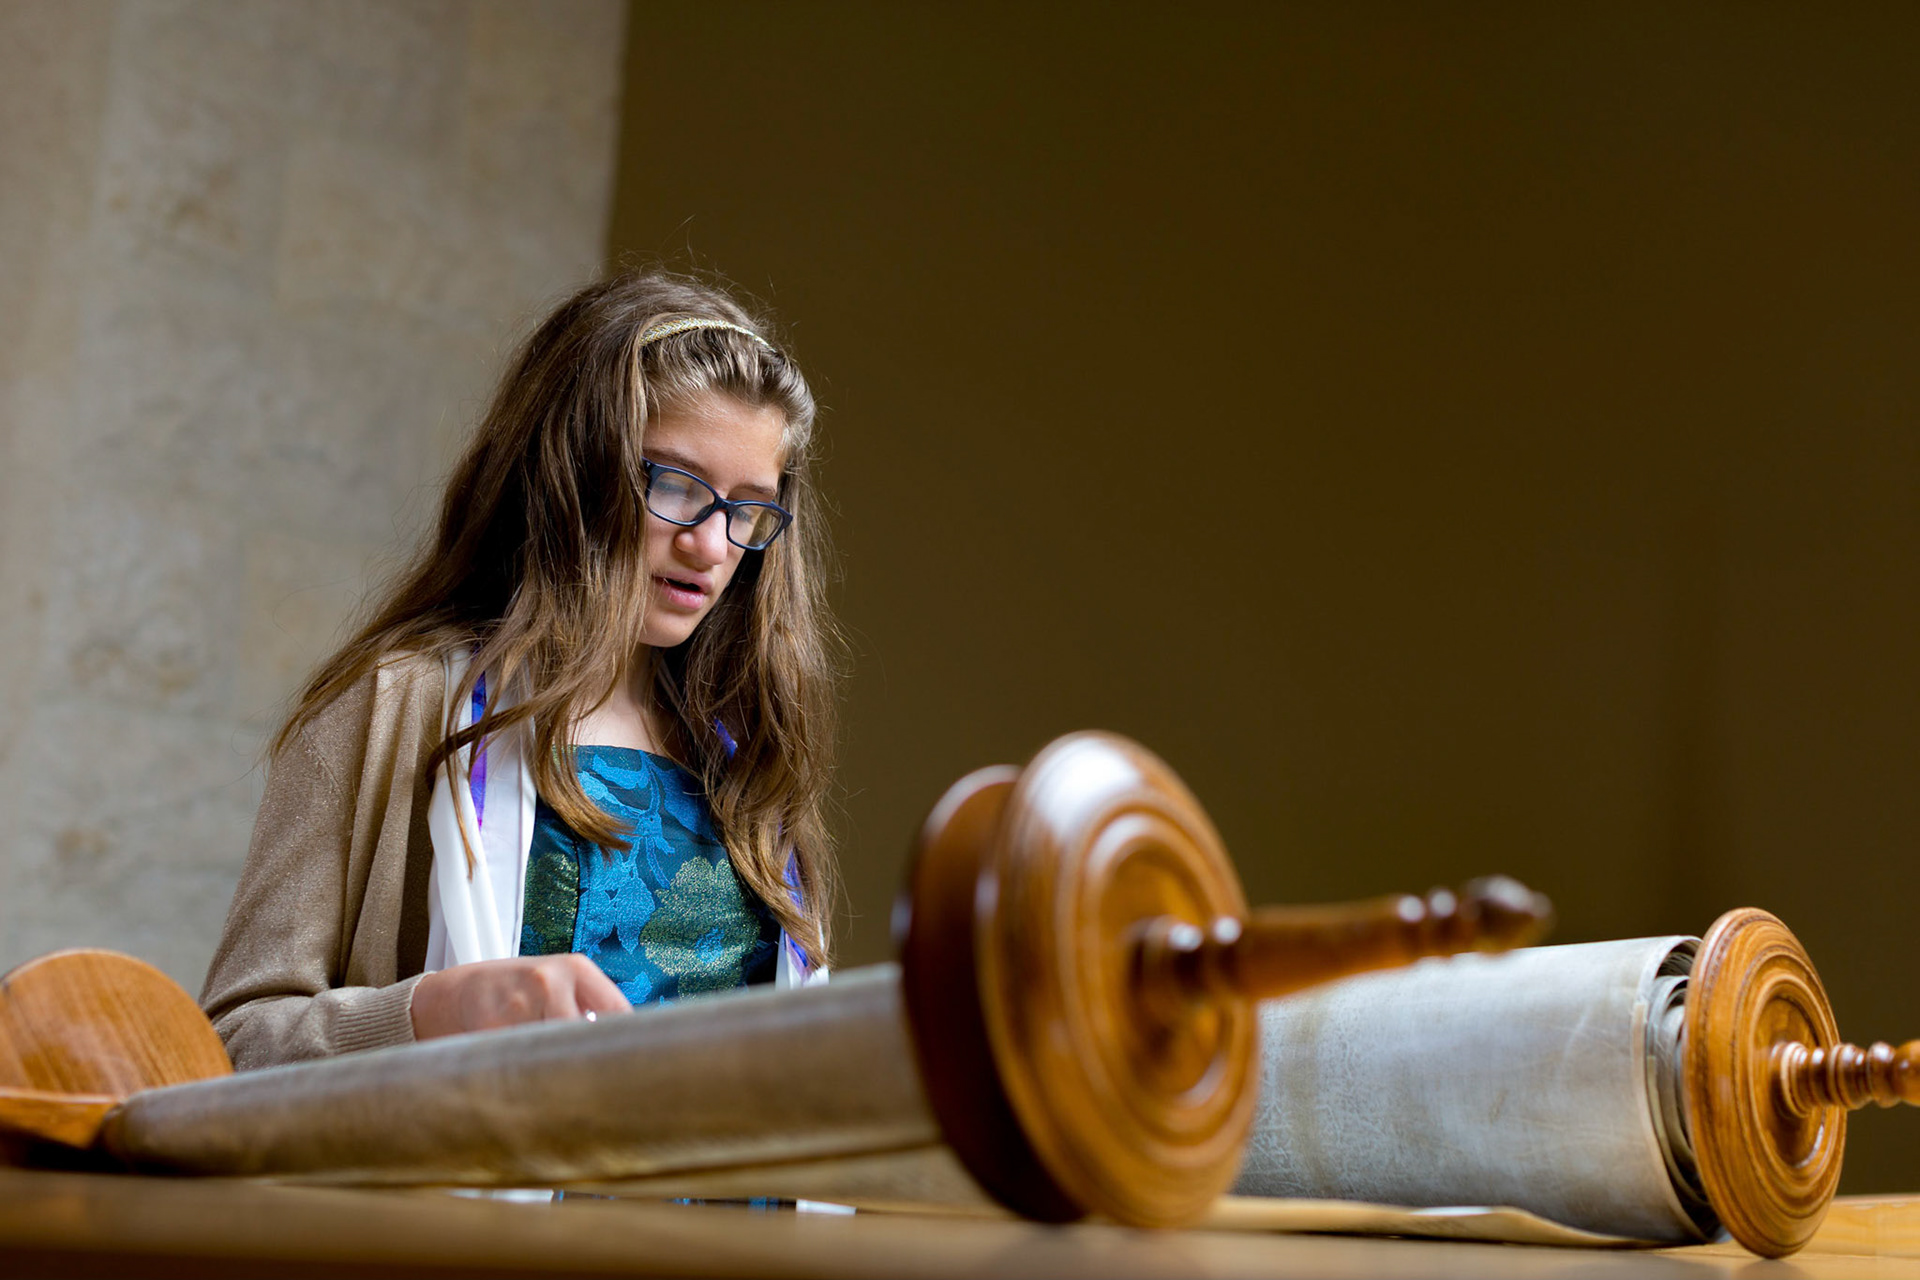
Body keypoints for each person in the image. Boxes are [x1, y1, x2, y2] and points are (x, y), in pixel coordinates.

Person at [200, 270, 840, 1070]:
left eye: (747, 508)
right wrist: (433, 1012)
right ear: (572, 472)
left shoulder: (748, 767)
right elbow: (228, 1045)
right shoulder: (399, 707)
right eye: (675, 484)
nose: (711, 546)